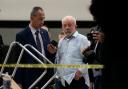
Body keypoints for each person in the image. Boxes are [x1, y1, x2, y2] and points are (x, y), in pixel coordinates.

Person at [15, 6, 57, 89]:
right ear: (31, 18)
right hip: (30, 78)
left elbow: (48, 55)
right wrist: (18, 82)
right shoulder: (21, 35)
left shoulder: (45, 33)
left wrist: (52, 53)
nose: (42, 22)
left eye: (43, 19)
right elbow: (18, 60)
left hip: (46, 77)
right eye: (40, 19)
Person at [55, 16, 90, 89]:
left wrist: (79, 72)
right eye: (64, 25)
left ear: (75, 26)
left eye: (69, 25)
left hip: (77, 81)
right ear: (62, 27)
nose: (67, 27)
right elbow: (59, 59)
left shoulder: (83, 39)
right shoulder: (61, 41)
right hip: (62, 81)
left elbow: (89, 58)